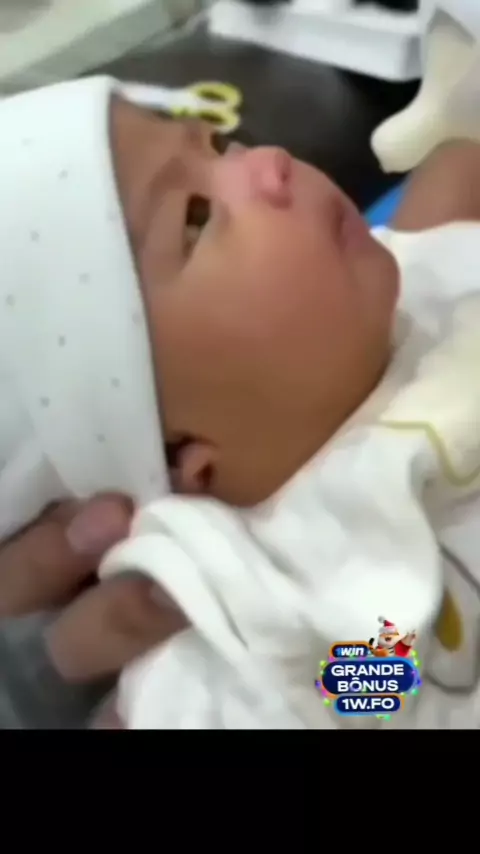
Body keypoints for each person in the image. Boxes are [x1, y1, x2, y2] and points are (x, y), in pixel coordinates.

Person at [3, 73, 480, 727]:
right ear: (186, 460)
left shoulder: (427, 281)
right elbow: (367, 695)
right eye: (196, 218)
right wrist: (377, 671)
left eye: (219, 145)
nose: (270, 160)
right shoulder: (262, 613)